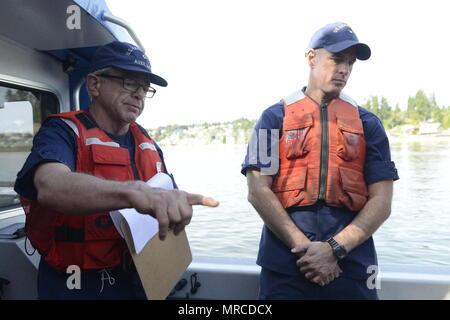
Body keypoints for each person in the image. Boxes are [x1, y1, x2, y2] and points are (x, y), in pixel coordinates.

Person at [14, 41, 218, 300]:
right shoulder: (62, 132)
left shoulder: (148, 143)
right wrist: (133, 192)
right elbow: (50, 185)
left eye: (145, 88)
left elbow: (163, 198)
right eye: (129, 82)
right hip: (75, 283)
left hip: (139, 277)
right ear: (94, 84)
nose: (139, 94)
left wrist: (176, 208)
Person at [242, 22, 399, 300]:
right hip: (287, 261)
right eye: (337, 59)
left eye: (350, 63)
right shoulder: (272, 118)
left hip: (351, 263)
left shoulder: (369, 124)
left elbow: (382, 202)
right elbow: (257, 190)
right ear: (312, 58)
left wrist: (334, 249)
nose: (344, 70)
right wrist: (305, 249)